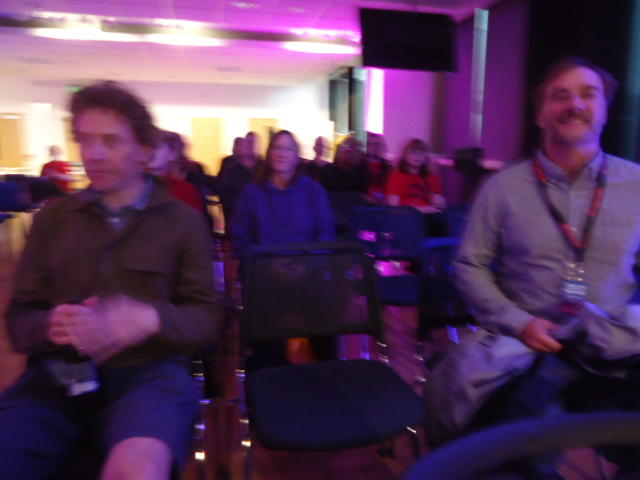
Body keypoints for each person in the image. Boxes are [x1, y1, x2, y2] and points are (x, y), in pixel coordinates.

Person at [428, 58, 640, 478]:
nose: (575, 104)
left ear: (604, 109)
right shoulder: (503, 188)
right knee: (510, 450)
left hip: (613, 344)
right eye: (560, 96)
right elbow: (470, 266)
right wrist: (519, 323)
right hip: (528, 348)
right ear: (541, 115)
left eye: (588, 94)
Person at [0, 81, 220, 480]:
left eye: (111, 141)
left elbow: (207, 318)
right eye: (85, 140)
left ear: (145, 151)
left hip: (150, 375)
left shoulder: (182, 222)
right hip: (56, 379)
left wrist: (150, 318)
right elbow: (20, 319)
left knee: (136, 470)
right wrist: (50, 324)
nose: (94, 154)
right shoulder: (53, 220)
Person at [231, 129, 335, 260]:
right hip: (262, 267)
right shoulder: (251, 194)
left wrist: (308, 265)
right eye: (277, 148)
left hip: (307, 268)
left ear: (297, 157)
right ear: (269, 154)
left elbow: (325, 236)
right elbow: (241, 237)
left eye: (289, 149)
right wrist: (264, 265)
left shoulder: (314, 192)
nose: (282, 154)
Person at [147, 129, 206, 212]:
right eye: (147, 146)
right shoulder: (134, 184)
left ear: (172, 154)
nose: (150, 151)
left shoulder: (184, 190)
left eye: (157, 147)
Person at [363, 132, 391, 204]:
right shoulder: (361, 164)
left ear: (382, 146)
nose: (374, 147)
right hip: (364, 203)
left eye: (377, 144)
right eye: (371, 144)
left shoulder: (388, 167)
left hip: (383, 204)